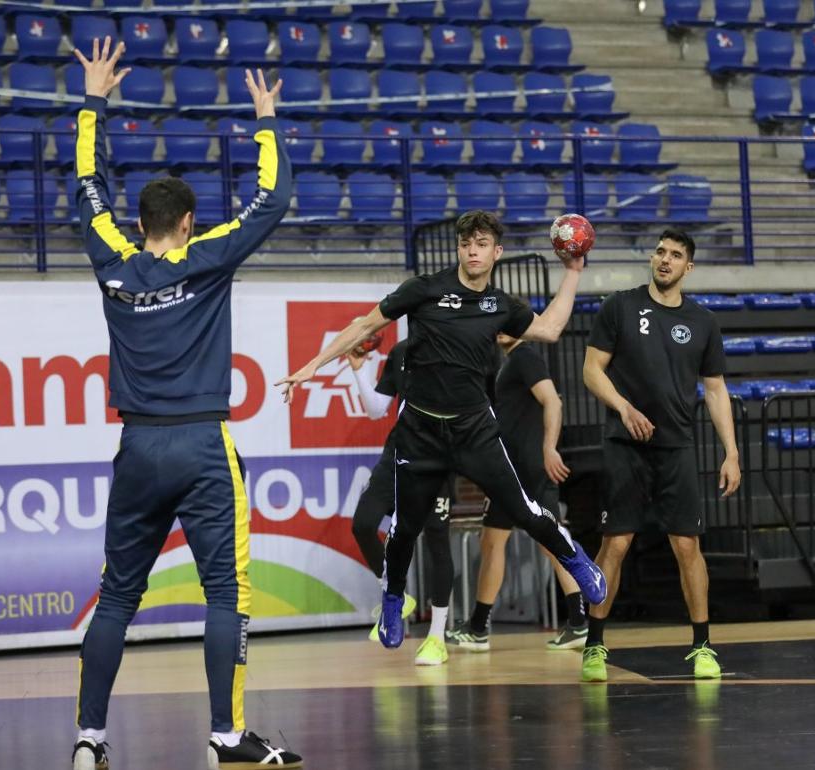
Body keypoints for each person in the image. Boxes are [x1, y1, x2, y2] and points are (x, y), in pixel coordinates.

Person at [69, 39, 301, 770]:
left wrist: (93, 101)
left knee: (115, 599)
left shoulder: (110, 256)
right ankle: (227, 739)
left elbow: (86, 185)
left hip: (138, 448)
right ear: (190, 221)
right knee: (226, 593)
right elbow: (272, 201)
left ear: (140, 224)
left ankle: (88, 740)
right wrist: (266, 121)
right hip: (202, 445)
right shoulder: (209, 256)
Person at [280, 210, 607, 650]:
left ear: (496, 252)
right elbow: (364, 325)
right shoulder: (425, 289)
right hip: (420, 432)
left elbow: (548, 329)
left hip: (474, 430)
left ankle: (578, 560)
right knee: (403, 531)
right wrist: (312, 366)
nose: (473, 251)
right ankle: (393, 599)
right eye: (466, 243)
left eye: (482, 244)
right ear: (459, 248)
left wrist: (572, 273)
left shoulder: (500, 305)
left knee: (527, 511)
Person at [579, 228, 741, 683]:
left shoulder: (704, 322)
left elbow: (715, 390)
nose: (664, 260)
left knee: (687, 544)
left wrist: (732, 452)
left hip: (677, 446)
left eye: (675, 255)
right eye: (659, 252)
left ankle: (703, 645)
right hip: (624, 444)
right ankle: (594, 645)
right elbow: (592, 371)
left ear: (688, 267)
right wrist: (624, 408)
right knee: (617, 542)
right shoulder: (621, 306)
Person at [445, 333, 589, 652]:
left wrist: (550, 448)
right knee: (508, 541)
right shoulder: (511, 361)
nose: (501, 329)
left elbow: (552, 400)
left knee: (529, 542)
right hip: (513, 472)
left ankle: (480, 627)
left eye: (511, 324)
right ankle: (576, 621)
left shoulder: (525, 357)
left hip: (527, 471)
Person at [346, 337, 457, 666]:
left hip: (438, 456)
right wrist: (358, 371)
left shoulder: (455, 348)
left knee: (437, 540)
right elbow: (377, 409)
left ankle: (437, 637)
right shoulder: (402, 351)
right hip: (397, 454)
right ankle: (395, 593)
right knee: (363, 523)